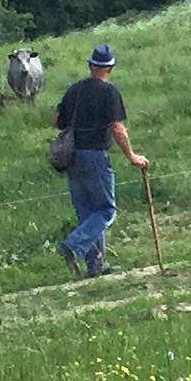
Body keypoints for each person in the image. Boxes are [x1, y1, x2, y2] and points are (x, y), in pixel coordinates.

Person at [53, 42, 150, 277]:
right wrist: (132, 156)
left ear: (90, 65)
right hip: (95, 155)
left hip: (71, 156)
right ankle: (73, 245)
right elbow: (117, 129)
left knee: (87, 212)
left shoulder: (74, 89)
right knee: (106, 210)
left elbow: (57, 120)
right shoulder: (109, 92)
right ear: (111, 68)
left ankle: (96, 266)